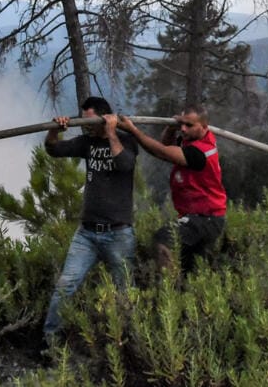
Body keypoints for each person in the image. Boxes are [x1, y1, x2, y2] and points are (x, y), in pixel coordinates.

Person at [42, 96, 138, 344]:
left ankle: (129, 342)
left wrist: (111, 132)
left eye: (90, 120)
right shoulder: (87, 142)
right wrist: (55, 130)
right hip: (86, 234)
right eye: (83, 121)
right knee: (65, 286)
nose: (86, 126)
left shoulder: (126, 140)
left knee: (124, 292)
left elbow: (125, 164)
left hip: (118, 234)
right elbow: (53, 149)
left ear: (104, 118)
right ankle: (51, 343)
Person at [119, 105, 227, 272]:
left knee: (163, 239)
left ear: (204, 127)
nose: (183, 129)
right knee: (190, 269)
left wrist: (133, 130)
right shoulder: (192, 140)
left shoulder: (200, 153)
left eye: (189, 125)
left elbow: (161, 152)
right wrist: (170, 128)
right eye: (181, 124)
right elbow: (167, 145)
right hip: (203, 217)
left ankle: (167, 288)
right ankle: (183, 292)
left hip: (205, 219)